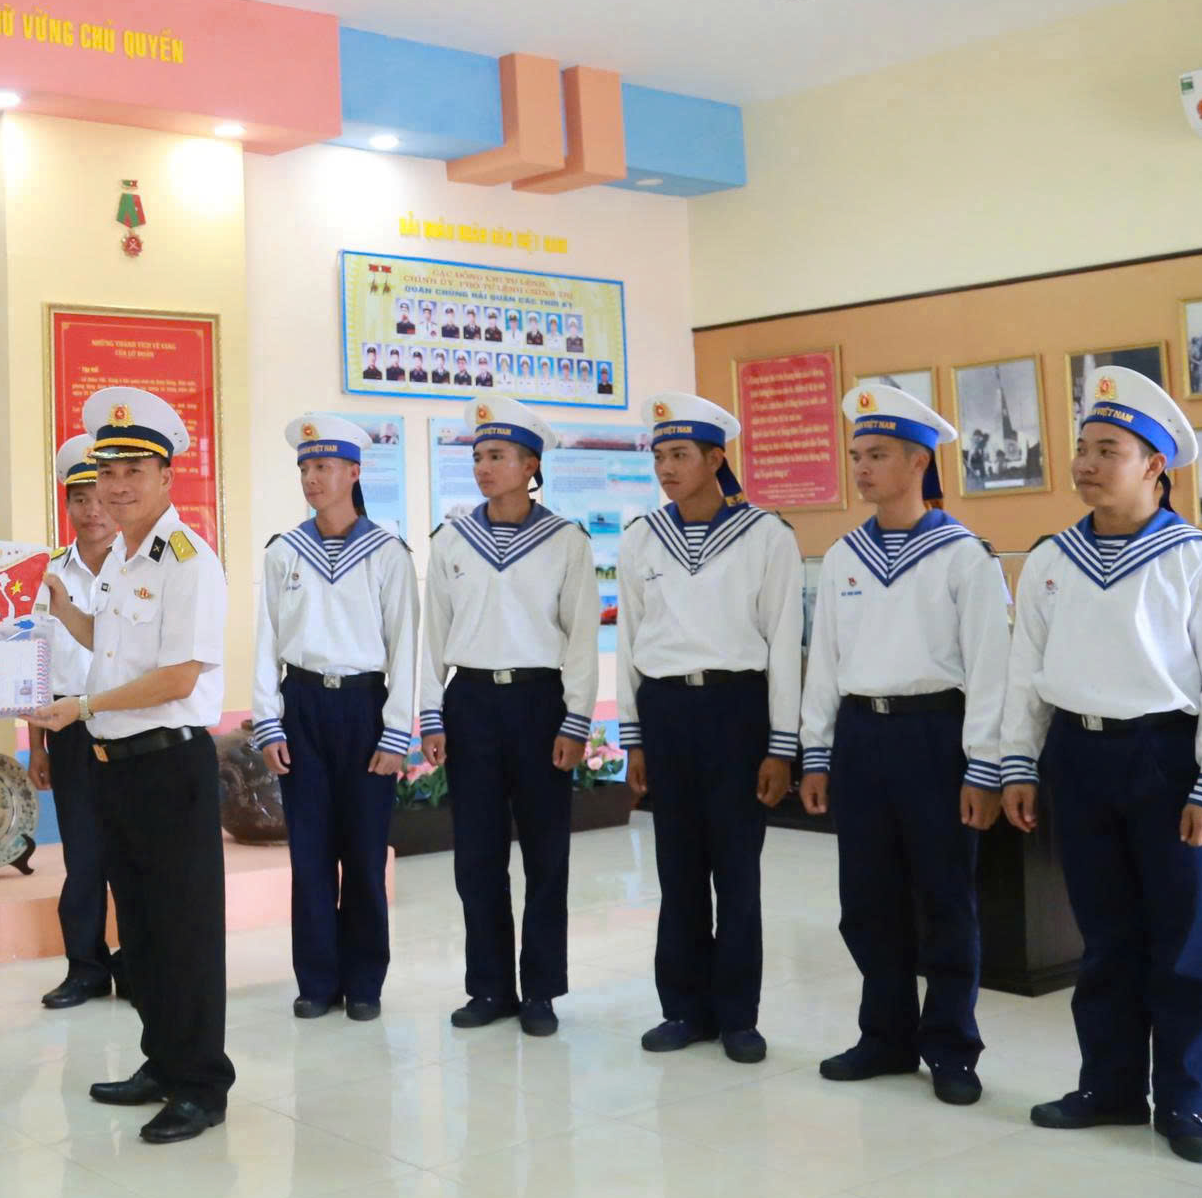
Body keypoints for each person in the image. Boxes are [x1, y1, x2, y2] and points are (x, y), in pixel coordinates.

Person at [1003, 367, 1202, 1164]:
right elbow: (1025, 669)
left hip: (1165, 758)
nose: (1087, 463)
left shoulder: (1200, 561)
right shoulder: (1052, 559)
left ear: (1154, 466)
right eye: (1083, 447)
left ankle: (1186, 1099)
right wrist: (1017, 763)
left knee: (1184, 938)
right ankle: (1108, 1085)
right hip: (1078, 754)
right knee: (1103, 935)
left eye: (1109, 449)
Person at [794, 384, 1010, 1105]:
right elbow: (824, 661)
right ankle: (884, 1036)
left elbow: (991, 669)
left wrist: (984, 765)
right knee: (867, 897)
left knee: (945, 897)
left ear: (919, 461)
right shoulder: (844, 556)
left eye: (878, 454)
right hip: (862, 736)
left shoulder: (963, 556)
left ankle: (951, 1046)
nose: (861, 467)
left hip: (935, 735)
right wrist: (816, 750)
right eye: (857, 454)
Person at [32, 387, 233, 1145]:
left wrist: (82, 707)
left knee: (185, 931)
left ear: (166, 475)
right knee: (142, 931)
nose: (116, 486)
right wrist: (59, 604)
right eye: (106, 471)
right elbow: (109, 641)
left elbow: (178, 676)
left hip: (169, 767)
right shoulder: (120, 554)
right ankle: (162, 1059)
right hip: (117, 767)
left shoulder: (188, 560)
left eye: (133, 471)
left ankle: (201, 1084)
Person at [618, 391, 803, 1064]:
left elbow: (784, 642)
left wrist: (782, 744)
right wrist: (634, 737)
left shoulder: (766, 536)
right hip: (667, 712)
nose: (666, 468)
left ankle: (738, 1016)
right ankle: (683, 1008)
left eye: (680, 454)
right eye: (659, 456)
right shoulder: (642, 536)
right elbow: (629, 639)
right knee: (678, 870)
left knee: (737, 872)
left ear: (716, 458)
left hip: (736, 712)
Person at [419, 396, 601, 1037]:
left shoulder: (566, 542)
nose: (483, 467)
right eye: (477, 456)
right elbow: (432, 634)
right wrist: (430, 713)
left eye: (497, 455)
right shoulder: (451, 540)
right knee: (477, 855)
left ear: (530, 465)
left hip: (539, 703)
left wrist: (576, 718)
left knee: (546, 854)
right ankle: (490, 987)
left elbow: (581, 637)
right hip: (470, 703)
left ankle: (541, 991)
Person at [250, 413, 417, 1023]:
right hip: (303, 707)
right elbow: (266, 641)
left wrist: (397, 732)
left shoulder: (388, 553)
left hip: (364, 708)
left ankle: (365, 980)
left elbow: (405, 645)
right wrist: (268, 721)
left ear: (354, 472)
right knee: (311, 855)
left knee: (365, 854)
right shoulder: (283, 552)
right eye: (305, 468)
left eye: (323, 466)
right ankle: (317, 980)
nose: (312, 478)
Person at [27, 434, 123, 1008]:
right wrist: (37, 746)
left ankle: (136, 965)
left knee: (132, 854)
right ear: (67, 504)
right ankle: (85, 968)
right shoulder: (46, 577)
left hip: (130, 724)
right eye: (80, 499)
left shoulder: (140, 568)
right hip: (68, 728)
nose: (93, 511)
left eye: (102, 498)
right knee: (82, 855)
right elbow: (36, 664)